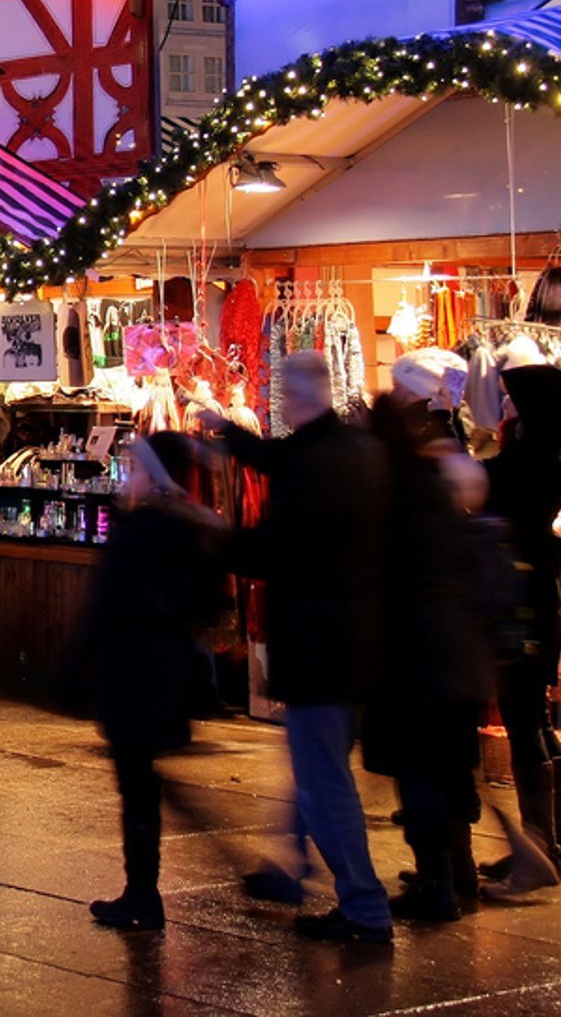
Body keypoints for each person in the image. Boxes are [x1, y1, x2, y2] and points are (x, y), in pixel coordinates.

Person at [202, 349, 393, 944]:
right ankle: (296, 868)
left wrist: (211, 539)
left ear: (295, 396)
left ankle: (365, 904)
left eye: (281, 391)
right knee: (316, 766)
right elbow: (277, 456)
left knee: (322, 779)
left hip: (318, 641)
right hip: (355, 637)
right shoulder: (355, 450)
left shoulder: (315, 464)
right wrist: (229, 432)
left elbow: (282, 546)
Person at [83, 432, 226, 931]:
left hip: (133, 668)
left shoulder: (140, 529)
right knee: (145, 782)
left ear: (154, 475)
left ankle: (142, 894)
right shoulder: (195, 530)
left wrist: (75, 670)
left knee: (137, 785)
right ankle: (143, 891)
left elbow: (106, 606)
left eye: (135, 468)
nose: (128, 476)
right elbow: (211, 604)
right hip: (168, 667)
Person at [361, 395, 495, 922]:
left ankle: (438, 885)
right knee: (449, 770)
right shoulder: (435, 487)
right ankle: (457, 876)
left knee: (418, 773)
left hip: (415, 659)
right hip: (456, 654)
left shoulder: (393, 494)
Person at [482, 342, 561, 891]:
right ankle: (543, 845)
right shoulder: (539, 457)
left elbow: (494, 485)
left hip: (523, 602)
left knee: (526, 719)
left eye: (511, 402)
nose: (504, 410)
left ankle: (539, 848)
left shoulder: (529, 463)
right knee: (531, 720)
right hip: (535, 595)